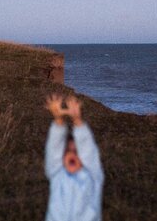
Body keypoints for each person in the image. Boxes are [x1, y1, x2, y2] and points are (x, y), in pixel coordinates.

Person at [43, 93, 104, 221]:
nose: (73, 154)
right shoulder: (56, 173)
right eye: (68, 150)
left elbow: (88, 149)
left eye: (77, 151)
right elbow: (54, 148)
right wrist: (58, 120)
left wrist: (77, 120)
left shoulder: (93, 176)